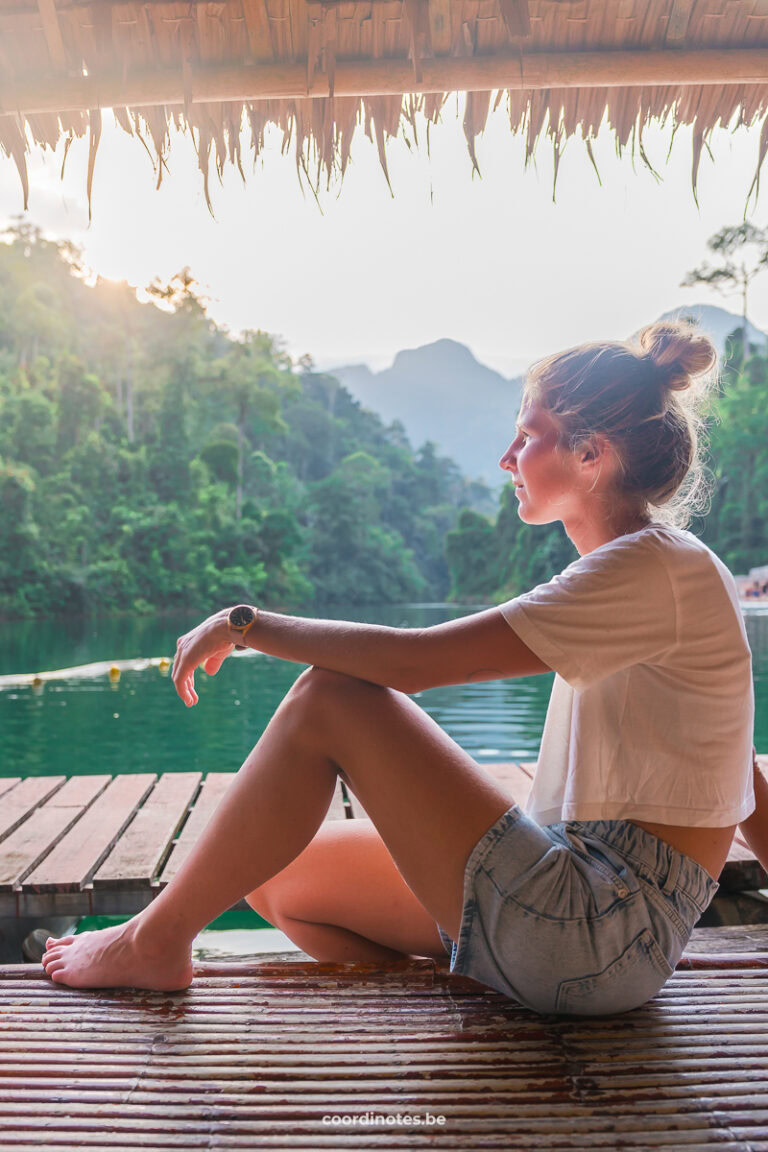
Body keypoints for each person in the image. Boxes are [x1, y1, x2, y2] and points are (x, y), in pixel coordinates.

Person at [41, 319, 762, 1016]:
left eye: (527, 433)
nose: (506, 456)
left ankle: (154, 940)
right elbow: (742, 774)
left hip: (597, 929)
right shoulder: (658, 571)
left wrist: (247, 625)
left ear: (591, 454)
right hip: (583, 918)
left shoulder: (652, 571)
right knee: (273, 877)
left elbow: (412, 664)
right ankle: (479, 989)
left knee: (332, 697)